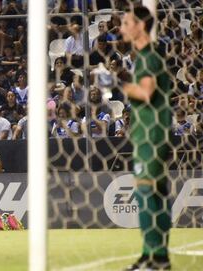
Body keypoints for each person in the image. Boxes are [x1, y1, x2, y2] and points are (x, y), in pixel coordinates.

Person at [120, 6, 172, 270]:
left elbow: (146, 92)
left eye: (126, 22)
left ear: (139, 25)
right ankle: (157, 255)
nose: (121, 28)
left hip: (151, 136)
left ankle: (153, 256)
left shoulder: (148, 55)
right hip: (155, 133)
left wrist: (116, 85)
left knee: (145, 193)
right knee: (158, 194)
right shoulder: (149, 55)